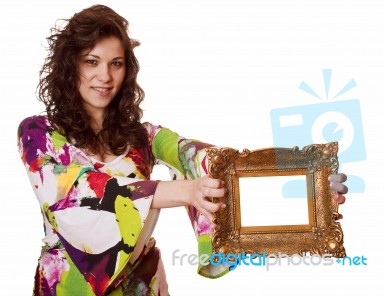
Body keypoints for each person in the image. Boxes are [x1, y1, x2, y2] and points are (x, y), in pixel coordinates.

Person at [17, 4, 348, 296]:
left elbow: (215, 161)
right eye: (92, 61)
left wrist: (306, 179)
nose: (105, 76)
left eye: (116, 63)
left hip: (142, 287)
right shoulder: (39, 134)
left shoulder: (144, 137)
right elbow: (80, 192)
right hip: (69, 289)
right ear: (70, 64)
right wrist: (184, 190)